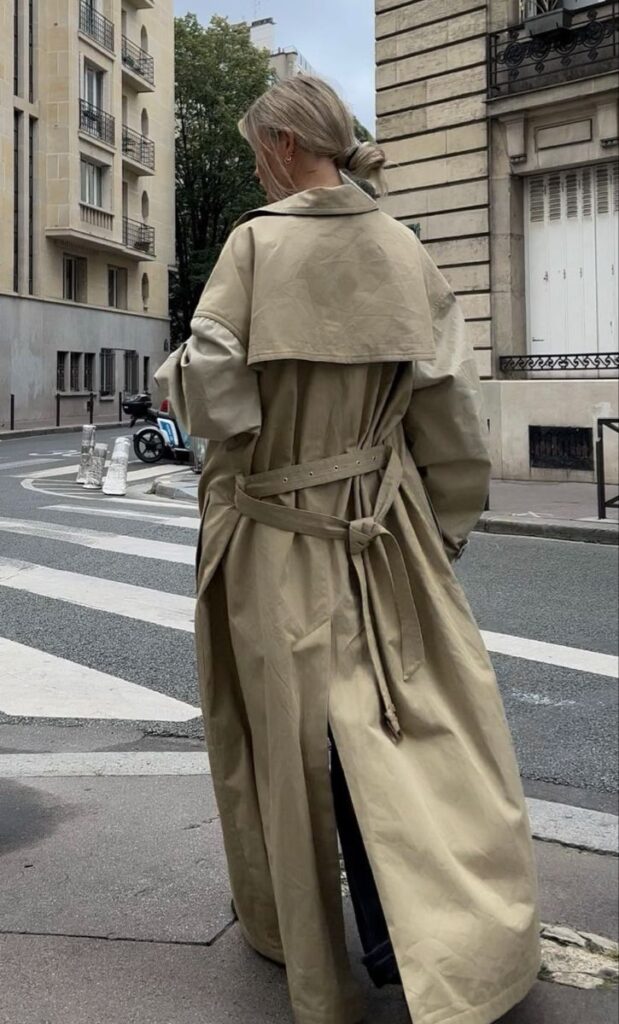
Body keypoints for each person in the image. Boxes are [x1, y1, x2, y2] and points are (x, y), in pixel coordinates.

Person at [155, 76, 540, 1024]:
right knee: (413, 737)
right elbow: (451, 418)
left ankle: (325, 946)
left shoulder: (256, 241)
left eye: (257, 145)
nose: (254, 162)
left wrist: (177, 383)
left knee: (298, 752)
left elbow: (218, 400)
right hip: (384, 531)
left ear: (286, 142)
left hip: (279, 540)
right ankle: (440, 948)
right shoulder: (404, 249)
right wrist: (440, 529)